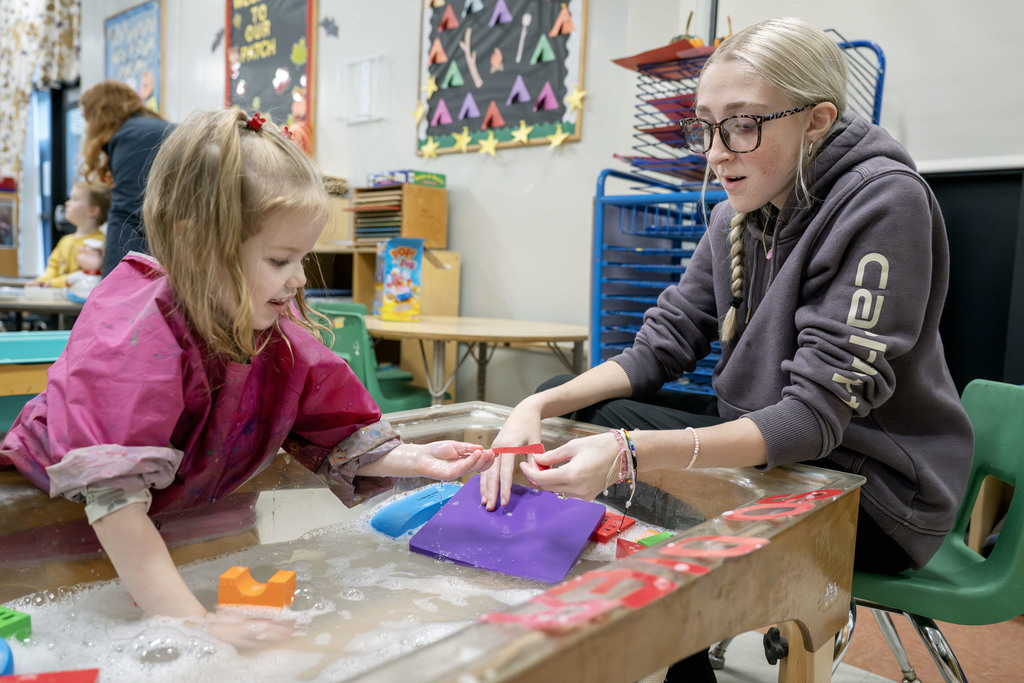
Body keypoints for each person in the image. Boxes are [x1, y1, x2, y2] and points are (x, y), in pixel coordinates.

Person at [480, 17, 973, 682]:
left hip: (874, 493)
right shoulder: (735, 213)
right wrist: (535, 405)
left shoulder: (886, 201)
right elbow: (662, 344)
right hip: (781, 458)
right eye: (706, 128)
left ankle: (670, 655)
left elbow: (811, 419)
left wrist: (631, 453)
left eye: (741, 125)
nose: (716, 152)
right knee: (578, 417)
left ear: (817, 121)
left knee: (639, 476)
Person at [0, 108, 494, 650]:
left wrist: (414, 458)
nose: (299, 278)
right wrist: (196, 625)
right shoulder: (134, 337)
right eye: (280, 259)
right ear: (197, 245)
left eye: (302, 258)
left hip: (189, 518)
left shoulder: (265, 327)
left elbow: (330, 421)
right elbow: (112, 502)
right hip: (65, 532)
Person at [78, 80, 176, 276]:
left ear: (101, 114)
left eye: (87, 119)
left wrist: (112, 282)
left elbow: (127, 217)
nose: (87, 129)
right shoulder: (152, 128)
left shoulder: (132, 136)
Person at [29, 181, 109, 288]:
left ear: (93, 210)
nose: (67, 203)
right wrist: (42, 281)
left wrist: (54, 283)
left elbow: (85, 276)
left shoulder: (100, 244)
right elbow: (53, 267)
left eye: (74, 199)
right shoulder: (65, 241)